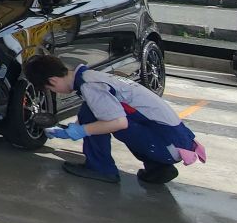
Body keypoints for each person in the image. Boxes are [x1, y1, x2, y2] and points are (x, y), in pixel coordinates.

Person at [22, 54, 206, 185]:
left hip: (167, 145)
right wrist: (68, 129)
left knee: (96, 117)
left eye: (50, 89)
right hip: (176, 141)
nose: (55, 92)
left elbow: (119, 123)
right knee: (92, 112)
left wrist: (80, 130)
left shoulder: (89, 85)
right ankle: (158, 167)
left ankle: (101, 168)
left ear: (53, 81)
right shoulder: (92, 77)